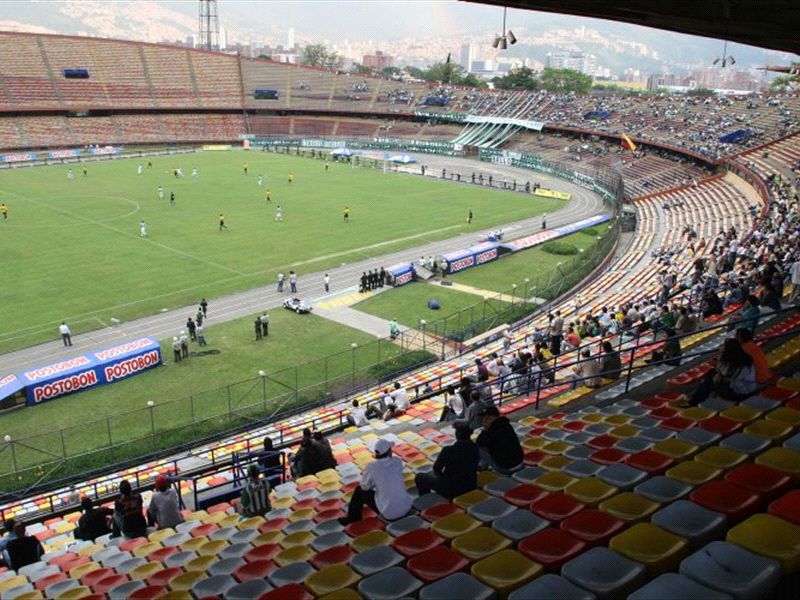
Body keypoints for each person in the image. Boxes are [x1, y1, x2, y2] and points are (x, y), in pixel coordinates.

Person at [339, 439, 412, 525]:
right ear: (389, 452)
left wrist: (375, 482)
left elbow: (364, 487)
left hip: (389, 513)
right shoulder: (397, 461)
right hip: (406, 507)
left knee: (359, 491)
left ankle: (353, 518)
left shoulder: (372, 466)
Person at [685, 338, 757, 406]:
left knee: (708, 381)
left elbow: (722, 376)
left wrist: (719, 360)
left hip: (739, 394)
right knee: (711, 375)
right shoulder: (745, 358)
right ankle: (696, 397)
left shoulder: (732, 364)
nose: (722, 348)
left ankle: (693, 401)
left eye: (724, 347)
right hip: (749, 389)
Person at [415, 425, 479, 499]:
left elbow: (437, 468)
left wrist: (442, 478)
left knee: (420, 477)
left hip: (451, 489)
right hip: (471, 485)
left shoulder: (448, 450)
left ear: (457, 434)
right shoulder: (475, 447)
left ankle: (426, 501)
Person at [476, 406, 523, 475]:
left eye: (486, 418)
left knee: (480, 448)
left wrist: (485, 429)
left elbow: (479, 442)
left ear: (490, 418)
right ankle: (482, 465)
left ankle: (482, 466)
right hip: (520, 462)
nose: (484, 420)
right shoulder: (506, 424)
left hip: (507, 468)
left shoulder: (491, 432)